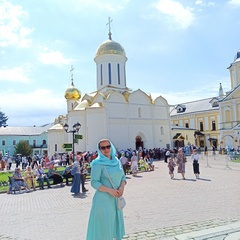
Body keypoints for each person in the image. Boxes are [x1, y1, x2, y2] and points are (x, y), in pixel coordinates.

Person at [86, 139, 126, 240]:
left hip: (116, 199)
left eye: (108, 146)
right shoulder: (97, 163)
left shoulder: (116, 161)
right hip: (103, 200)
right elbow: (94, 182)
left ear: (111, 147)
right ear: (99, 150)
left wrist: (121, 187)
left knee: (114, 226)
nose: (106, 149)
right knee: (104, 230)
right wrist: (109, 190)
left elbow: (123, 177)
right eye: (103, 148)